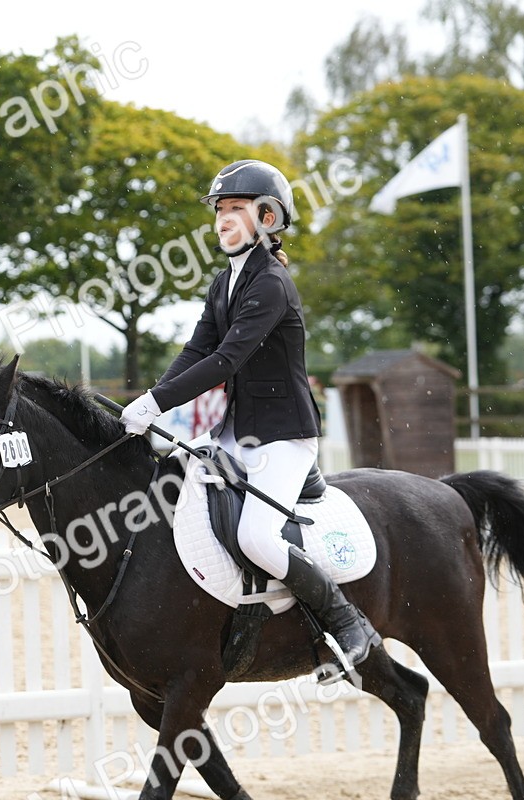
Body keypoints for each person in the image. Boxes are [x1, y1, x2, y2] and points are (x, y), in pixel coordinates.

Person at [118, 160, 381, 671]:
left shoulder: (271, 284)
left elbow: (225, 361)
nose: (222, 219)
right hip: (237, 436)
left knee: (256, 537)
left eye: (235, 209)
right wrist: (151, 401)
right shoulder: (224, 282)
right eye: (219, 210)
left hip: (284, 438)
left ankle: (349, 625)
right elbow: (197, 349)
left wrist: (158, 404)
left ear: (267, 216)